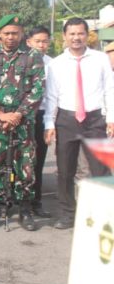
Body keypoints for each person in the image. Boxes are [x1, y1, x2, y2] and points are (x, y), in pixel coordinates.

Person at [44, 18, 114, 229]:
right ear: (64, 36)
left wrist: (111, 118)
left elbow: (110, 89)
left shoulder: (100, 59)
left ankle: (103, 214)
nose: (76, 38)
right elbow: (51, 97)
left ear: (87, 35)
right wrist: (49, 124)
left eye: (80, 33)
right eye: (72, 34)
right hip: (66, 119)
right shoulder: (56, 64)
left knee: (101, 169)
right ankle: (67, 213)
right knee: (65, 170)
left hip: (95, 120)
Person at [0, 15, 44, 231]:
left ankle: (25, 208)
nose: (10, 37)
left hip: (23, 123)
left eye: (15, 33)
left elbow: (38, 90)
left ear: (21, 33)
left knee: (26, 167)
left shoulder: (33, 56)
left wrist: (18, 114)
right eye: (6, 33)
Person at [25, 27, 53, 218]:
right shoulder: (21, 61)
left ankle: (36, 201)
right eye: (38, 41)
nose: (41, 45)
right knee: (19, 160)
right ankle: (16, 201)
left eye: (45, 41)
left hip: (42, 115)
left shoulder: (53, 64)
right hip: (22, 115)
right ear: (29, 42)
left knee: (38, 161)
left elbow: (53, 95)